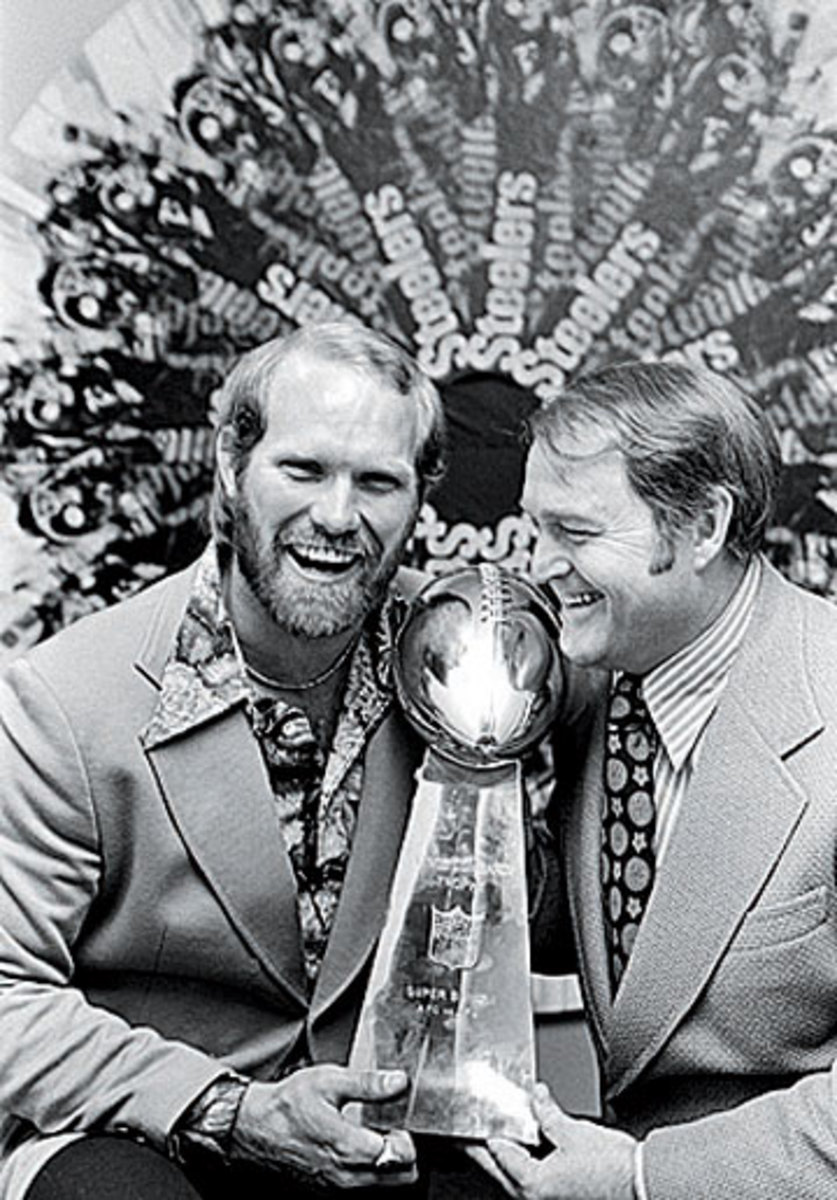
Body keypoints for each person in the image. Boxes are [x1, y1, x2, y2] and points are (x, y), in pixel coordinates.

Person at [0, 320, 461, 1200]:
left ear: (418, 496)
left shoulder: (458, 658)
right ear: (230, 465)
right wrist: (229, 1110)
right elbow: (4, 992)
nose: (337, 515)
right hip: (149, 1136)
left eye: (377, 482)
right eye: (303, 469)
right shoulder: (65, 697)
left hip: (379, 1139)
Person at [472, 361, 837, 1199]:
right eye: (535, 527)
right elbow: (634, 960)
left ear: (702, 525)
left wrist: (639, 1176)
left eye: (576, 533)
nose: (540, 562)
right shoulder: (595, 677)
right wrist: (476, 810)